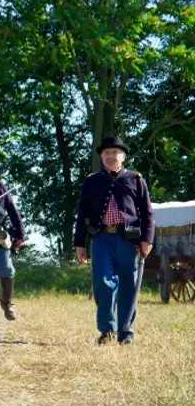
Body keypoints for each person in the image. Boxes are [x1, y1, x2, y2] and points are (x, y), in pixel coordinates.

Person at [74, 136, 153, 345]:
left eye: (115, 152)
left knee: (128, 286)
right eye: (106, 153)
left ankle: (125, 333)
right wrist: (80, 243)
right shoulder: (91, 182)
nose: (110, 156)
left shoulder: (136, 179)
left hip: (128, 240)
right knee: (103, 283)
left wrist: (147, 239)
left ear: (123, 156)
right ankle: (107, 331)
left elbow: (147, 213)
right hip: (101, 240)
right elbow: (81, 214)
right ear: (101, 156)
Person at [0, 179, 26, 323]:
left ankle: (7, 305)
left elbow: (13, 211)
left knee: (6, 270)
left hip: (0, 234)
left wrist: (20, 234)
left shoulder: (0, 187)